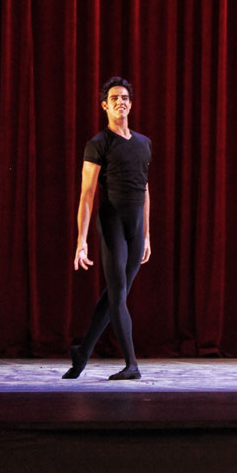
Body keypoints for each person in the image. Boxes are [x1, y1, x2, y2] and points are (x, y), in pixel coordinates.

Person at [63, 76, 151, 381]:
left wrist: (147, 235)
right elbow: (87, 195)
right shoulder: (98, 144)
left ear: (131, 104)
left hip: (135, 228)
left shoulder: (143, 143)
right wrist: (81, 241)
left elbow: (145, 190)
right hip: (112, 224)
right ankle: (132, 364)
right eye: (114, 98)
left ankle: (82, 352)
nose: (120, 102)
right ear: (105, 106)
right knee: (117, 293)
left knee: (116, 293)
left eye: (124, 98)